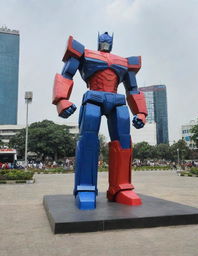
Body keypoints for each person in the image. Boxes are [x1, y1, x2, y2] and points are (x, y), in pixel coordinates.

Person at [52, 32, 147, 210]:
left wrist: (141, 112)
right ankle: (85, 188)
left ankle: (121, 187)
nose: (105, 42)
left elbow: (133, 88)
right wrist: (61, 100)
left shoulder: (124, 62)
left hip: (117, 100)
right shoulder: (85, 54)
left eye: (108, 40)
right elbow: (66, 74)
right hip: (93, 97)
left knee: (124, 141)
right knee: (88, 139)